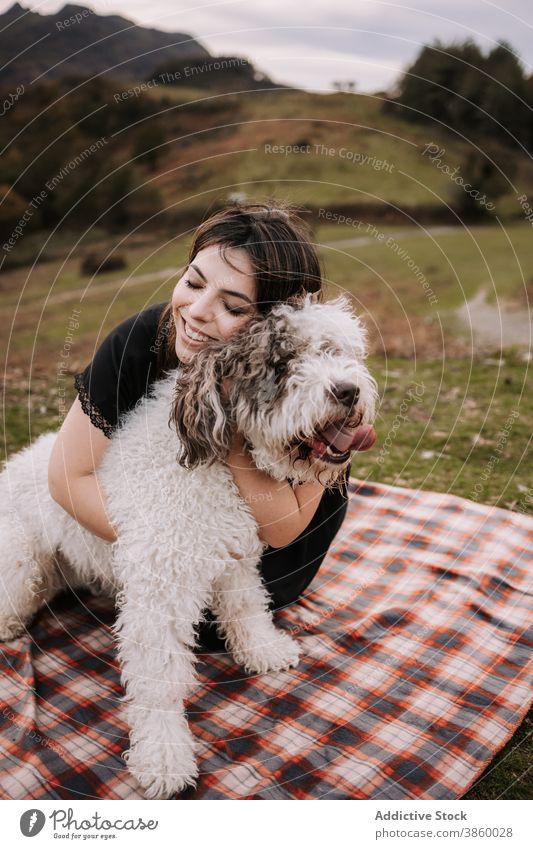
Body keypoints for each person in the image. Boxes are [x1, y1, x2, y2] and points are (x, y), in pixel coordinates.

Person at [48, 201, 375, 651]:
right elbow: (68, 477)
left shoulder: (321, 384)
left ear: (279, 325)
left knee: (205, 631)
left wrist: (234, 430)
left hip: (269, 556)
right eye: (193, 282)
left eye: (233, 306)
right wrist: (164, 552)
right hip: (163, 536)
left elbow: (281, 530)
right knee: (163, 601)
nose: (198, 311)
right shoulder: (136, 342)